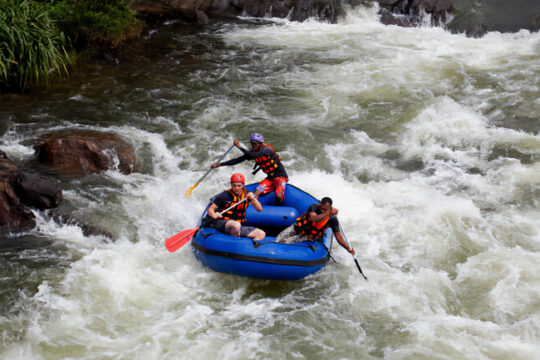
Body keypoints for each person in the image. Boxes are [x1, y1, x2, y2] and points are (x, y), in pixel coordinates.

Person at [211, 133, 288, 204]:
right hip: (270, 178)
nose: (253, 145)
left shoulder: (267, 149)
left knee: (279, 194)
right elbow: (237, 160)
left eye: (255, 144)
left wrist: (239, 147)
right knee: (256, 193)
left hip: (281, 177)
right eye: (252, 143)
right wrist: (219, 164)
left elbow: (254, 155)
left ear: (260, 144)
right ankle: (252, 210)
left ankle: (280, 206)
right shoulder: (253, 152)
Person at [274, 197, 355, 255]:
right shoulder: (314, 207)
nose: (322, 210)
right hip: (297, 227)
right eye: (322, 208)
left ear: (330, 208)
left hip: (308, 235)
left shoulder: (332, 219)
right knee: (277, 239)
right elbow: (314, 219)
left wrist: (347, 248)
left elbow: (338, 236)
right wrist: (328, 212)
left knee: (285, 242)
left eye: (325, 209)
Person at [205, 173, 265, 241]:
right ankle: (232, 243)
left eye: (239, 186)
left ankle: (246, 248)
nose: (236, 188)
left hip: (237, 225)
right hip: (222, 223)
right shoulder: (224, 196)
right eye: (234, 186)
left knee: (261, 234)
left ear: (243, 185)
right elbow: (210, 209)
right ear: (231, 185)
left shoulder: (247, 195)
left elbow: (259, 209)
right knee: (236, 225)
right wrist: (213, 214)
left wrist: (254, 199)